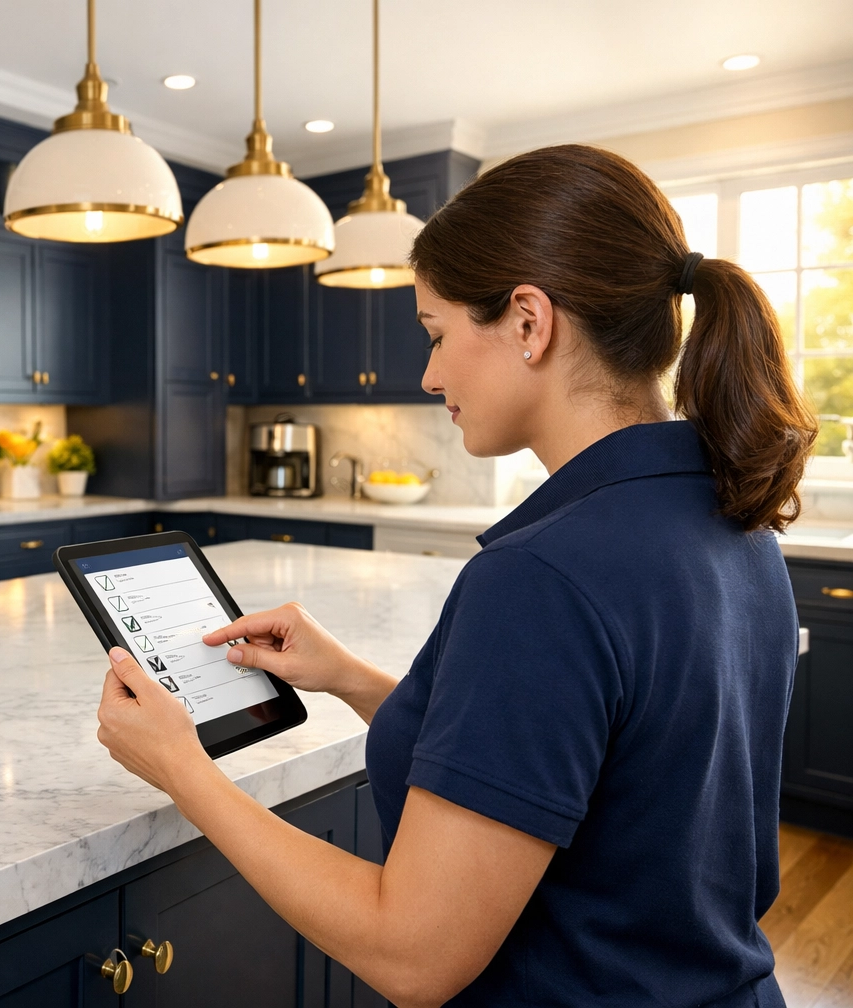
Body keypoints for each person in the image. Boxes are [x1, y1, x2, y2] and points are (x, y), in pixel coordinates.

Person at [95, 144, 816, 1007]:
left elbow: (413, 955)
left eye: (437, 334)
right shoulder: (731, 520)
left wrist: (184, 770)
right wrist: (352, 680)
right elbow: (592, 770)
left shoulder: (544, 576)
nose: (430, 374)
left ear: (528, 321)